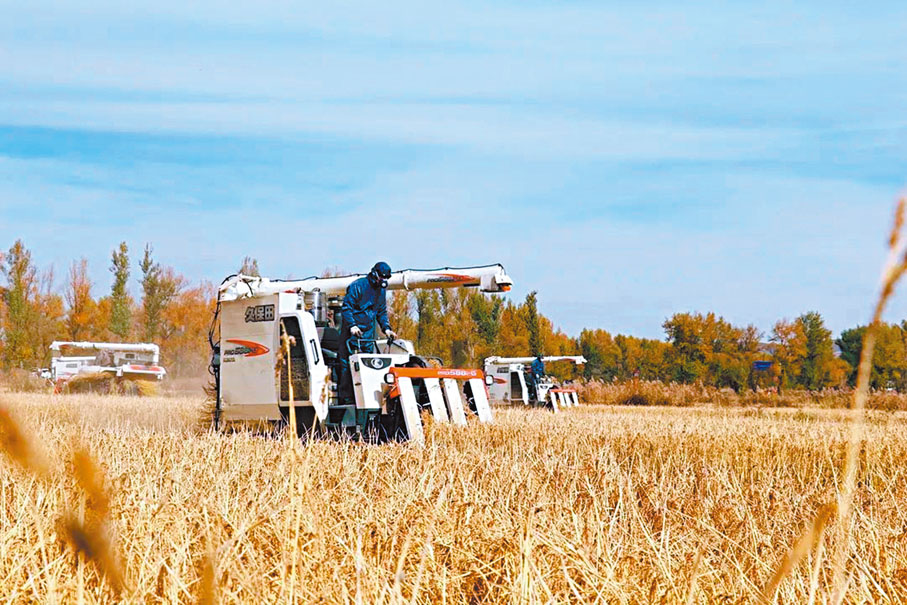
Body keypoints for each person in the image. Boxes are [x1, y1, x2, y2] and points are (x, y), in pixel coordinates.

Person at [337, 262, 396, 404]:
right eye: (382, 277)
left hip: (368, 335)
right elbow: (347, 308)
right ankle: (347, 401)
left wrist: (386, 329)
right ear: (375, 274)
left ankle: (368, 400)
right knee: (348, 366)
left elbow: (381, 312)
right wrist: (352, 325)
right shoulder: (358, 286)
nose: (383, 281)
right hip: (351, 334)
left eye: (386, 278)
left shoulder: (381, 291)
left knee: (369, 367)